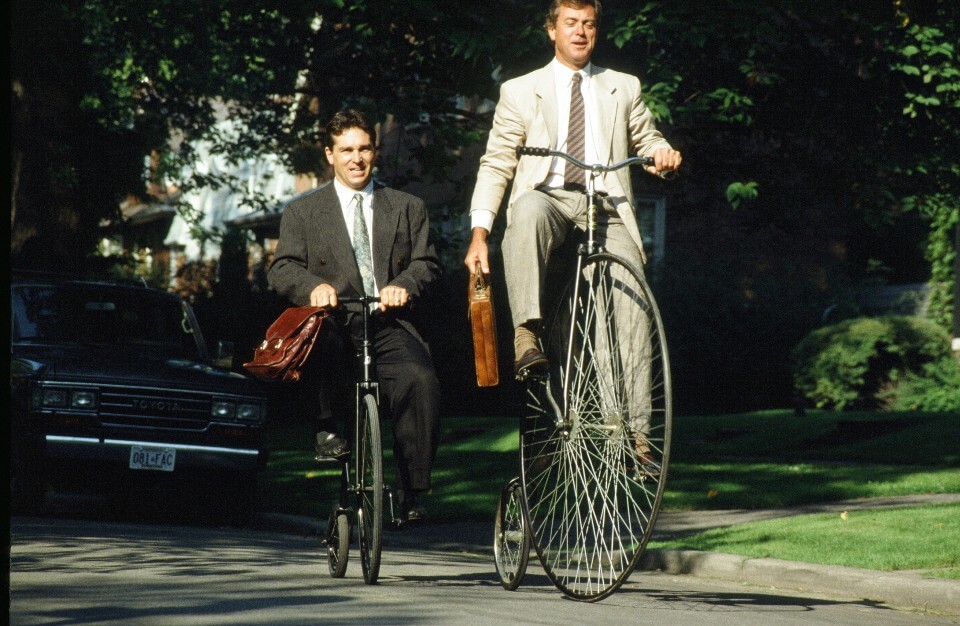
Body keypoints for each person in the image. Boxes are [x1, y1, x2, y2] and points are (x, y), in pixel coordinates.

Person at [464, 0, 681, 472]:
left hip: (605, 206)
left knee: (632, 309)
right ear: (552, 31)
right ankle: (526, 334)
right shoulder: (521, 91)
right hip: (550, 196)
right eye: (571, 23)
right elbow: (498, 162)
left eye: (589, 24)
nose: (581, 32)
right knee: (525, 215)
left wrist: (662, 152)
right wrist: (480, 232)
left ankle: (632, 436)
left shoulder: (623, 87)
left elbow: (647, 137)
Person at [269, 109, 442, 521]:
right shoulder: (303, 211)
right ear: (330, 154)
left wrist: (404, 285)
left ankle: (412, 489)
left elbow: (427, 264)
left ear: (375, 152)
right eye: (346, 150)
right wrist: (313, 287)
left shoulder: (406, 207)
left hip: (387, 321)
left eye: (364, 148)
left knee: (421, 379)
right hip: (335, 320)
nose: (356, 158)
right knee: (325, 344)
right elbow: (281, 267)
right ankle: (328, 427)